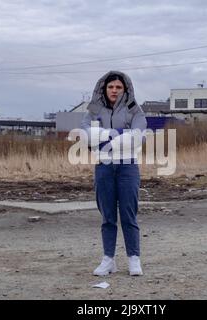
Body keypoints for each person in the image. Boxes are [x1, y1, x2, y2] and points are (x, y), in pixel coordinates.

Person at [81, 71, 147, 276]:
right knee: (108, 216)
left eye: (119, 87)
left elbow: (138, 137)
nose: (114, 90)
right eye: (111, 87)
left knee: (129, 215)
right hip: (104, 167)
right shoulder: (94, 109)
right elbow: (85, 135)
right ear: (104, 88)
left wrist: (103, 137)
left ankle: (134, 259)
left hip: (127, 167)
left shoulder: (135, 110)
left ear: (125, 89)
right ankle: (108, 260)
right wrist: (120, 135)